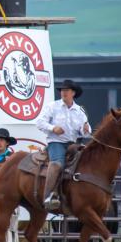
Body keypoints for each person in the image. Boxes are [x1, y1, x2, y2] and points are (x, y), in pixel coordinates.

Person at [36, 79, 91, 211]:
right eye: (62, 90)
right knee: (57, 164)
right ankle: (48, 196)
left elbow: (87, 133)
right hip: (56, 142)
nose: (63, 93)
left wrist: (86, 129)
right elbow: (39, 122)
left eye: (66, 90)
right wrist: (53, 128)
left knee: (88, 161)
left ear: (73, 93)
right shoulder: (52, 106)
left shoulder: (80, 111)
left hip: (73, 144)